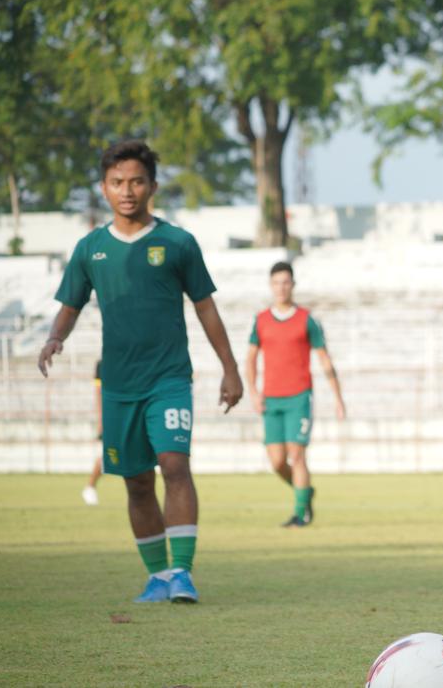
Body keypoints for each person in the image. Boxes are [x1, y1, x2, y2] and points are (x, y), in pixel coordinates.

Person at [38, 139, 243, 603]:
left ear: (152, 186)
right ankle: (157, 577)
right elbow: (70, 305)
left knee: (174, 464)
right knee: (136, 481)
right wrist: (55, 337)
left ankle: (182, 573)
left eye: (136, 181)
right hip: (118, 384)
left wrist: (230, 369)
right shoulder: (90, 249)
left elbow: (206, 308)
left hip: (169, 379)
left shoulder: (177, 243)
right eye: (117, 182)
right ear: (103, 188)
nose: (126, 191)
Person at [244, 261, 346, 527]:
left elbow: (324, 359)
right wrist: (253, 392)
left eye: (286, 282)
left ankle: (301, 514)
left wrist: (338, 397)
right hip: (271, 399)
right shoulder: (261, 320)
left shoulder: (306, 320)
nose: (281, 287)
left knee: (297, 455)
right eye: (277, 283)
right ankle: (305, 491)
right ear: (271, 285)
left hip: (299, 397)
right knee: (277, 462)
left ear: (293, 285)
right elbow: (250, 359)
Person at [82, 360, 104, 506]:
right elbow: (99, 391)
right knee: (109, 456)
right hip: (114, 415)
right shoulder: (103, 364)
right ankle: (90, 487)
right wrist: (101, 419)